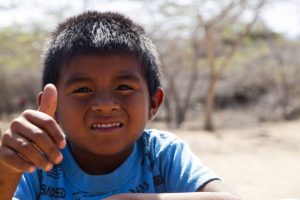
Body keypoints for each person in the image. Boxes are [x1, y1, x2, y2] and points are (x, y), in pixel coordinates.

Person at [0, 11, 240, 200]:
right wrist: (7, 170)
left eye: (124, 87)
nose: (105, 105)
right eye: (83, 89)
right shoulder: (36, 163)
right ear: (54, 107)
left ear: (154, 103)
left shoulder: (162, 155)